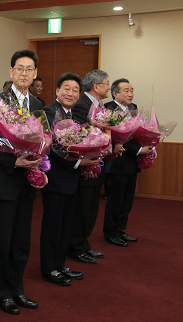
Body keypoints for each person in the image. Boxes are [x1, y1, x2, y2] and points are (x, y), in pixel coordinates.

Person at [0, 49, 42, 315]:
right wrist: (13, 161)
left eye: (29, 69)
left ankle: (18, 289)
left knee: (22, 241)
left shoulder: (39, 105)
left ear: (35, 74)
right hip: (5, 180)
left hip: (27, 183)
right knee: (4, 241)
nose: (24, 74)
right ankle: (2, 293)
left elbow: (45, 139)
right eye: (19, 68)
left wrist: (38, 158)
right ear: (11, 72)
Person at [40, 73, 99, 286]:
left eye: (75, 90)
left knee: (66, 226)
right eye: (66, 88)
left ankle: (60, 264)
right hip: (55, 178)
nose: (70, 93)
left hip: (72, 179)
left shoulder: (74, 116)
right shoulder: (48, 112)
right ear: (57, 90)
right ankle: (49, 268)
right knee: (52, 226)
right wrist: (77, 163)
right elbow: (53, 148)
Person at [103, 79, 154, 246]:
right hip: (117, 162)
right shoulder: (108, 109)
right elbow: (117, 137)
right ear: (115, 93)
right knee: (115, 200)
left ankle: (120, 229)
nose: (130, 93)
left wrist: (149, 144)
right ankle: (110, 232)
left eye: (132, 90)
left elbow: (136, 133)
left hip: (131, 163)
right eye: (126, 90)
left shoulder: (134, 108)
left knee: (127, 200)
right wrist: (138, 150)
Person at [68, 69, 110, 264]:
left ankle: (84, 244)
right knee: (83, 209)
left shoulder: (98, 106)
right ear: (96, 86)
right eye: (107, 83)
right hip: (84, 165)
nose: (109, 87)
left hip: (96, 162)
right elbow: (77, 135)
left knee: (92, 207)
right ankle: (76, 247)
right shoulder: (81, 105)